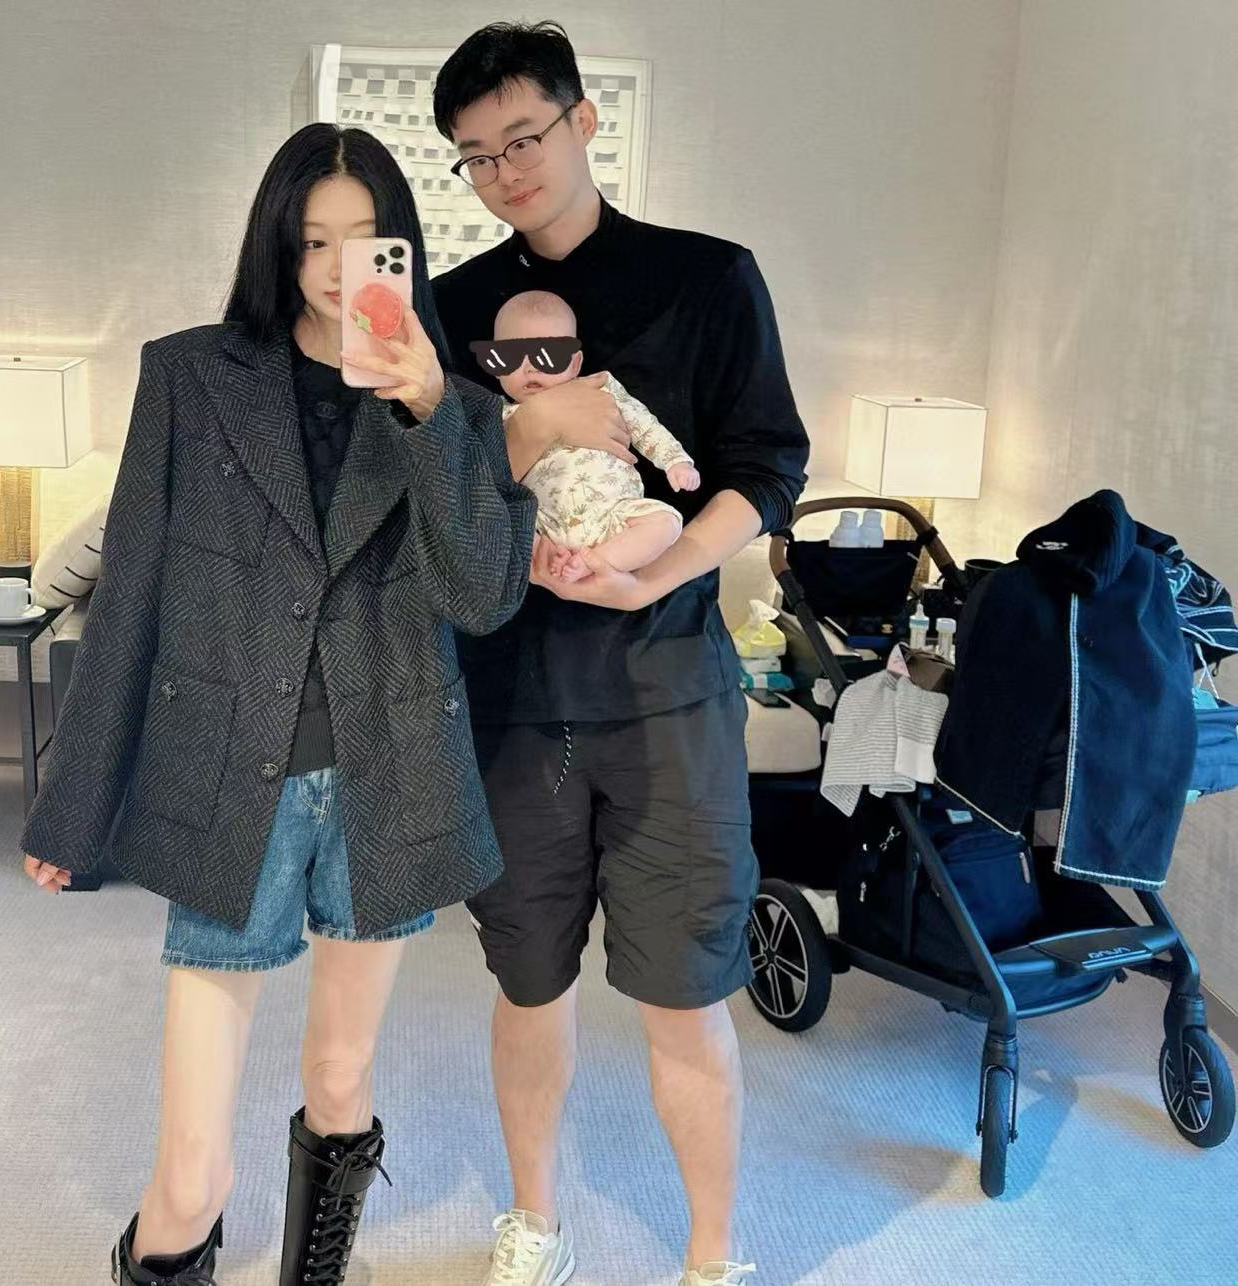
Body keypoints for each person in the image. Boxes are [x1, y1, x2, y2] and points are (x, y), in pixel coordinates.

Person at [20, 122, 537, 1286]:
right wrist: (73, 800)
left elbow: (483, 596)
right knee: (188, 1168)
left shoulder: (456, 406)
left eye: (366, 241)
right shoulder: (190, 376)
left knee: (341, 1078)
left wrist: (426, 414)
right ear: (278, 245)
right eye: (313, 241)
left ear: (402, 249)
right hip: (225, 771)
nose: (339, 269)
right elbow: (132, 588)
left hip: (386, 779)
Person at [432, 21, 809, 1286]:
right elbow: (423, 497)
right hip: (511, 700)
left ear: (583, 120)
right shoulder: (450, 311)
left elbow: (765, 465)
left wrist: (656, 569)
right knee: (526, 981)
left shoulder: (707, 279)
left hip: (666, 694)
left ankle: (711, 1255)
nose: (504, 172)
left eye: (522, 139)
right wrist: (529, 427)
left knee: (685, 986)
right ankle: (535, 1219)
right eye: (477, 156)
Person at [479, 288, 701, 582]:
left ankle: (596, 561)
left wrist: (675, 460)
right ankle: (559, 563)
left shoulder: (599, 389)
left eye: (548, 355)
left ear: (574, 363)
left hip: (615, 513)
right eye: (510, 356)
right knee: (502, 526)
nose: (529, 367)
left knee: (666, 523)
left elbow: (642, 423)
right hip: (543, 522)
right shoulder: (498, 416)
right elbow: (485, 480)